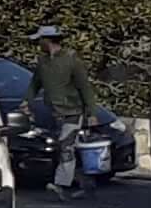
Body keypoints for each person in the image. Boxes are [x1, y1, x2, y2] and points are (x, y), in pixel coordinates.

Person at [29, 27, 101, 194]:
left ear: (48, 40)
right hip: (53, 112)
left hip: (72, 111)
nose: (38, 44)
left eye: (40, 40)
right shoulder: (43, 62)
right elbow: (35, 83)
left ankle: (61, 184)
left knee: (66, 146)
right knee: (62, 148)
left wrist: (92, 113)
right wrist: (27, 101)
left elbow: (85, 87)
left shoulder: (72, 60)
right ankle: (84, 182)